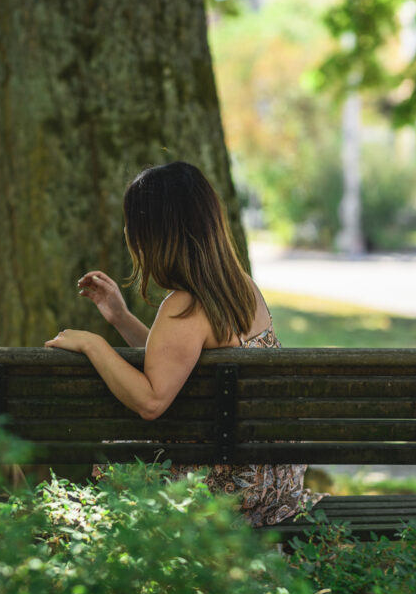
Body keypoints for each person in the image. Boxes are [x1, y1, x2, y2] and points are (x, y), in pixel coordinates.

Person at [45, 161, 314, 526]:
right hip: (273, 482)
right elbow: (175, 361)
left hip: (230, 491)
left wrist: (94, 345)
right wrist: (121, 318)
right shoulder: (241, 288)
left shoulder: (184, 306)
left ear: (153, 234)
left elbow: (152, 401)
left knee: (118, 460)